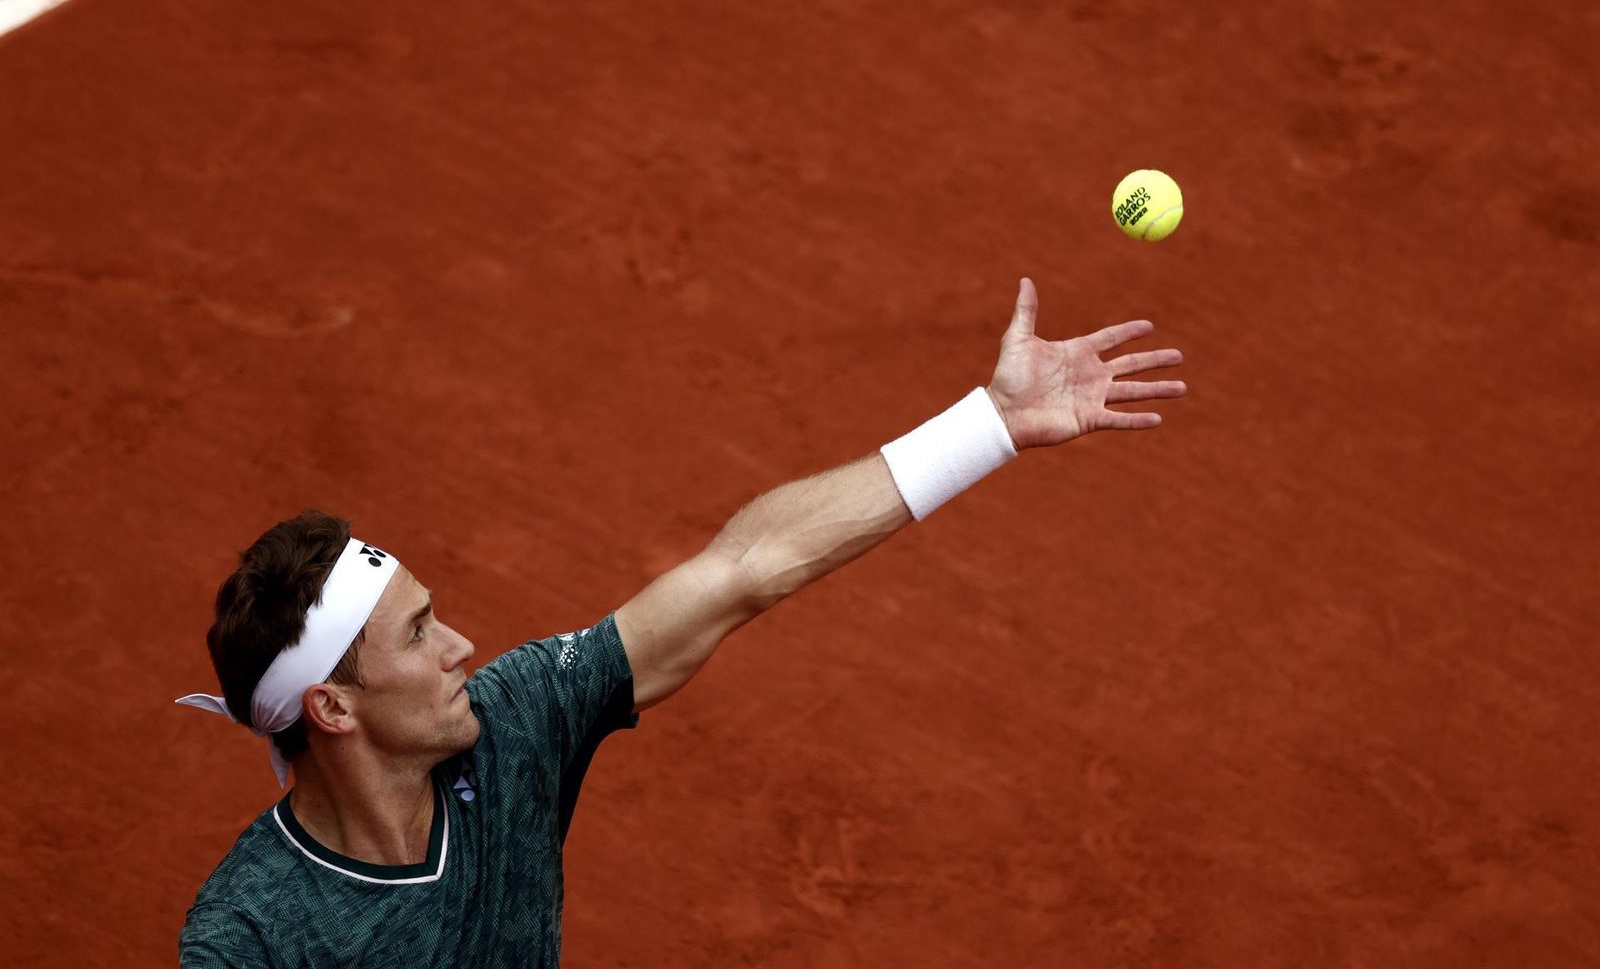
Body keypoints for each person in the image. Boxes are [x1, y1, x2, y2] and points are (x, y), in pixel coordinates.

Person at [176, 277, 1184, 966]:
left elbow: (744, 569)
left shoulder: (514, 721)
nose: (460, 646)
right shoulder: (252, 936)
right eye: (415, 635)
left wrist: (988, 426)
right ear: (334, 708)